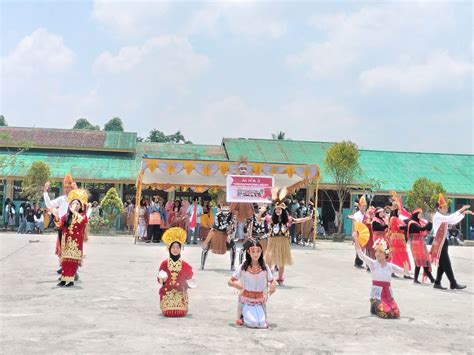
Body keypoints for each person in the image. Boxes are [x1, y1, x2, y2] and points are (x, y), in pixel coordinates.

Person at [264, 187, 311, 285]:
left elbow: (298, 220)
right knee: (269, 260)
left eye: (279, 209)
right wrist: (261, 211)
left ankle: (280, 278)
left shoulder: (288, 220)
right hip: (272, 241)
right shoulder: (270, 219)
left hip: (283, 242)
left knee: (281, 261)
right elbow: (259, 218)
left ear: (283, 210)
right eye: (276, 209)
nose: (278, 211)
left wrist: (308, 218)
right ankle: (269, 277)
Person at [354, 236, 407, 319]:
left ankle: (375, 307)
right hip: (377, 294)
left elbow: (403, 271)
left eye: (380, 252)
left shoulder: (390, 266)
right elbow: (361, 254)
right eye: (376, 251)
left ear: (386, 254)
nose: (377, 254)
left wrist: (406, 270)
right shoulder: (373, 264)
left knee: (395, 313)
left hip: (387, 294)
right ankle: (374, 304)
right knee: (385, 313)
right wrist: (356, 239)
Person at [228, 239, 276, 328]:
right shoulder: (244, 266)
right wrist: (237, 285)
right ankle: (242, 316)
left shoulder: (264, 267)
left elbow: (272, 280)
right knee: (253, 323)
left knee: (262, 324)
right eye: (253, 251)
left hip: (259, 301)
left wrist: (273, 286)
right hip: (246, 300)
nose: (255, 254)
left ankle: (253, 317)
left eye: (258, 251)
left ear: (261, 252)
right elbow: (230, 281)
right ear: (248, 252)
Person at [431, 194, 471, 290]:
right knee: (447, 263)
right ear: (439, 208)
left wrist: (463, 214)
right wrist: (462, 210)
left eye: (446, 207)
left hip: (443, 241)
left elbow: (453, 220)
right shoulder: (438, 216)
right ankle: (453, 283)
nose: (446, 209)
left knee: (442, 264)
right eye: (444, 207)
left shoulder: (442, 216)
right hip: (439, 242)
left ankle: (437, 282)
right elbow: (451, 218)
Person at [51, 189, 89, 287]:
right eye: (73, 203)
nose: (75, 204)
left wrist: (74, 211)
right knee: (64, 262)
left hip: (75, 243)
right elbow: (59, 225)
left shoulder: (82, 215)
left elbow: (82, 221)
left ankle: (71, 280)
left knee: (72, 262)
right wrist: (55, 216)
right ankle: (64, 280)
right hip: (66, 242)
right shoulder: (67, 216)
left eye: (77, 203)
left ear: (81, 206)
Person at [43, 174, 77, 273]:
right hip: (62, 226)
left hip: (72, 226)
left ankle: (74, 270)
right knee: (61, 247)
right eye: (65, 187)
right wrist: (45, 192)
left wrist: (76, 190)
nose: (66, 189)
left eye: (68, 187)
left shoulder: (76, 199)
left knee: (72, 248)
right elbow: (49, 205)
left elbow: (82, 204)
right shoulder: (62, 199)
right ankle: (63, 266)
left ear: (72, 188)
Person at [157, 227, 194, 317]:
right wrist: (162, 279)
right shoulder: (164, 263)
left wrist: (189, 284)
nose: (175, 249)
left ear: (181, 248)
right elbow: (159, 280)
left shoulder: (185, 265)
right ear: (169, 248)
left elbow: (190, 279)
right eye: (173, 247)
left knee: (179, 311)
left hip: (180, 293)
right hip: (167, 293)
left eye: (178, 247)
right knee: (168, 312)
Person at [201, 202, 236, 270]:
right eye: (224, 207)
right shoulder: (217, 215)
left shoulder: (232, 215)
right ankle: (202, 265)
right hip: (216, 232)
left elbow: (233, 228)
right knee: (206, 246)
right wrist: (229, 223)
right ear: (221, 207)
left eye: (227, 207)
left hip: (226, 234)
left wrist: (230, 235)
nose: (226, 209)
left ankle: (232, 265)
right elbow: (219, 227)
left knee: (233, 247)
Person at [404, 208, 435, 284]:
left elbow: (428, 229)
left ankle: (431, 279)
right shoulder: (412, 223)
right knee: (419, 261)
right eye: (419, 214)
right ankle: (418, 279)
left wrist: (430, 222)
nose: (421, 215)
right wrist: (429, 222)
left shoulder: (419, 222)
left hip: (421, 243)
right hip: (415, 243)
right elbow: (422, 229)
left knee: (424, 261)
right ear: (416, 214)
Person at [387, 193, 412, 279]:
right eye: (398, 210)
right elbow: (400, 227)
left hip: (400, 240)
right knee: (396, 255)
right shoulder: (394, 218)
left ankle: (405, 272)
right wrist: (409, 224)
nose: (400, 212)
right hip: (396, 240)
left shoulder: (397, 219)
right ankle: (396, 271)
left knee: (401, 255)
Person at [349, 195, 367, 269]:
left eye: (364, 206)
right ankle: (358, 262)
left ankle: (360, 261)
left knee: (363, 249)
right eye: (362, 206)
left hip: (364, 233)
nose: (363, 208)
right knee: (359, 248)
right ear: (359, 206)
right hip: (359, 233)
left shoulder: (366, 214)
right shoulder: (357, 214)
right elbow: (356, 223)